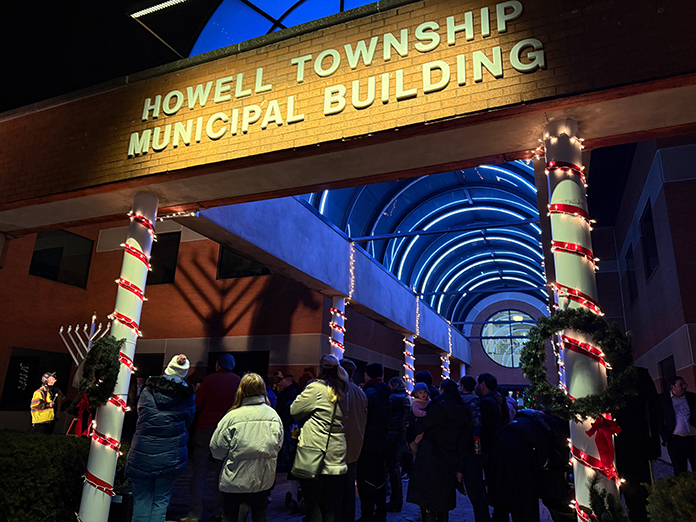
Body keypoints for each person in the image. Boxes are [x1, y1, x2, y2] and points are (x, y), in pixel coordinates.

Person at [125, 354, 195, 522]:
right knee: (161, 502)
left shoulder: (148, 390)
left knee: (140, 501)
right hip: (171, 455)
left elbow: (140, 414)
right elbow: (189, 420)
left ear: (167, 369)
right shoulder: (187, 395)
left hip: (142, 451)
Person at [210, 372, 284, 522]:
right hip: (263, 479)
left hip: (235, 478)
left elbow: (216, 448)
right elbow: (278, 445)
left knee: (231, 516)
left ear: (241, 390)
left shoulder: (232, 417)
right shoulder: (273, 416)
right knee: (261, 514)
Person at [290, 354, 349, 522]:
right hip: (337, 450)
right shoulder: (345, 388)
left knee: (313, 503)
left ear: (320, 369)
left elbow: (295, 410)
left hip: (315, 450)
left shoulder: (316, 388)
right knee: (329, 504)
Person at [184, 353, 242, 522]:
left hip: (205, 428)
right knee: (222, 472)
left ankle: (195, 512)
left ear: (218, 365)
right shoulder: (238, 382)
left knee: (199, 472)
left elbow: (197, 404)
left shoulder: (209, 380)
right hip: (228, 431)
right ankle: (218, 511)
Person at [488, 409, 573, 522]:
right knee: (527, 493)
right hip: (524, 446)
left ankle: (503, 514)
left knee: (507, 485)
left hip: (507, 437)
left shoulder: (544, 418)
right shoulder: (563, 428)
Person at [406, 379, 472, 522]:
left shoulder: (437, 406)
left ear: (442, 390)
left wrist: (410, 436)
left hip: (429, 456)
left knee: (426, 500)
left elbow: (421, 425)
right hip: (449, 459)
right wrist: (459, 466)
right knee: (443, 501)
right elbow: (463, 441)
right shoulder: (464, 409)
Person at [615, 367, 662, 522]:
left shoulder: (637, 375)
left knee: (638, 501)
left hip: (634, 447)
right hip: (627, 446)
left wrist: (654, 441)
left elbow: (653, 410)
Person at [357, 362, 391, 522]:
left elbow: (362, 417)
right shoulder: (387, 392)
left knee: (366, 478)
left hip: (368, 441)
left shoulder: (368, 393)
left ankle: (367, 513)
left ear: (367, 375)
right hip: (383, 440)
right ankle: (381, 511)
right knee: (379, 477)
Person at [339, 358, 368, 522]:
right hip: (355, 446)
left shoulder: (338, 391)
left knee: (335, 489)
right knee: (349, 488)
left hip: (339, 446)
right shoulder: (360, 392)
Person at [458, 376, 489, 522]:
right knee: (475, 487)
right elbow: (477, 425)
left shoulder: (459, 401)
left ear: (462, 386)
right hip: (471, 449)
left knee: (473, 487)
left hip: (463, 448)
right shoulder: (474, 401)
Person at [659, 374, 696, 475]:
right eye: (681, 385)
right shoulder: (663, 400)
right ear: (672, 386)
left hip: (693, 439)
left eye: (685, 384)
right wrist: (666, 439)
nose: (684, 386)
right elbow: (658, 419)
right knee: (680, 471)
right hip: (676, 440)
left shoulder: (692, 397)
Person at [386, 376, 410, 513]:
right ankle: (397, 499)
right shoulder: (405, 397)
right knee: (395, 467)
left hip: (392, 433)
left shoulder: (392, 398)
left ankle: (395, 500)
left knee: (392, 467)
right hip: (401, 433)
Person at [409, 382, 430, 455]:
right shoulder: (416, 402)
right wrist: (422, 413)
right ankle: (415, 443)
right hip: (419, 421)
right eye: (420, 392)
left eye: (425, 392)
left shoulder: (429, 401)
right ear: (416, 394)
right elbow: (416, 411)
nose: (423, 394)